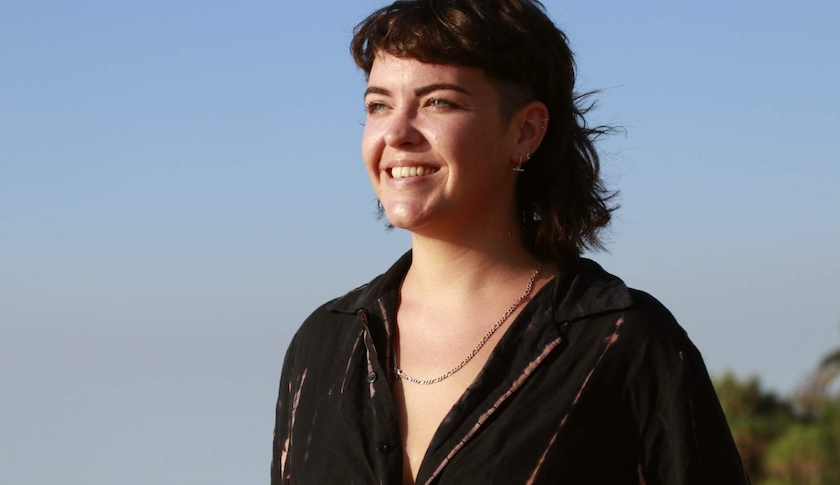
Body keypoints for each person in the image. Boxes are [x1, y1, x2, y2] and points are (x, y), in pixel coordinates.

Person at [272, 0, 749, 483]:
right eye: (378, 105)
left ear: (525, 131)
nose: (396, 133)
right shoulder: (323, 346)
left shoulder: (624, 341)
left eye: (439, 101)